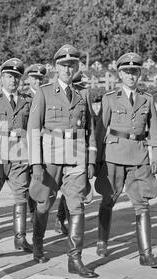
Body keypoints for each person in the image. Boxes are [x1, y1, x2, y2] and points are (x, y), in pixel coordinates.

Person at [28, 44, 98, 278]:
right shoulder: (44, 92)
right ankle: (38, 245)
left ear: (77, 67)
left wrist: (91, 159)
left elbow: (90, 129)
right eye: (63, 65)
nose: (68, 70)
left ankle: (75, 258)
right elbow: (33, 128)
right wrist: (36, 163)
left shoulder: (82, 95)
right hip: (50, 156)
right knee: (44, 204)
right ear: (56, 67)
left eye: (72, 65)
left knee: (76, 206)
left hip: (76, 155)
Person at [94, 52, 157, 268]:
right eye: (127, 72)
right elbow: (100, 130)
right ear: (120, 74)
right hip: (114, 156)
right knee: (108, 199)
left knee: (142, 203)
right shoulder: (110, 98)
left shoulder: (148, 98)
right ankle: (102, 240)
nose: (131, 76)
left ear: (139, 74)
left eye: (135, 72)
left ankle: (146, 254)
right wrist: (96, 159)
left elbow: (154, 129)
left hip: (139, 156)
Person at [0, 58, 33, 252]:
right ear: (2, 78)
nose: (13, 81)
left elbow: (31, 129)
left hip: (20, 154)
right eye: (9, 76)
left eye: (16, 77)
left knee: (21, 195)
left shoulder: (27, 101)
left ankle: (20, 237)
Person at [54, 70, 93, 235]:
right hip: (57, 151)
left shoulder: (84, 97)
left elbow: (90, 124)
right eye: (79, 86)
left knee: (74, 192)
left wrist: (91, 157)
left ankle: (68, 228)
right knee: (54, 191)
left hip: (78, 151)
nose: (82, 90)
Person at [24, 63, 47, 224]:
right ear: (28, 79)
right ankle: (32, 211)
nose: (37, 82)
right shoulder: (23, 98)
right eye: (34, 78)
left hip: (44, 144)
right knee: (26, 180)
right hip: (25, 145)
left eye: (40, 79)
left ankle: (40, 210)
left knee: (40, 179)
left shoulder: (48, 96)